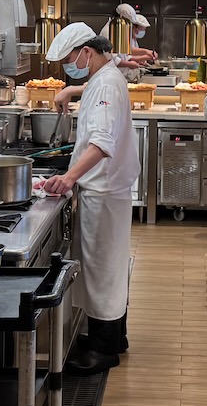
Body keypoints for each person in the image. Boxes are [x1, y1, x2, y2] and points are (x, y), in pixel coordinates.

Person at [42, 22, 141, 375]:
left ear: (87, 51)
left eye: (70, 59)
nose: (68, 65)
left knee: (101, 268)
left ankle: (103, 351)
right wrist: (72, 90)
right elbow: (97, 88)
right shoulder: (104, 77)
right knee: (108, 267)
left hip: (103, 190)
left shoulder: (107, 86)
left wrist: (68, 177)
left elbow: (101, 143)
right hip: (106, 189)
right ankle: (115, 338)